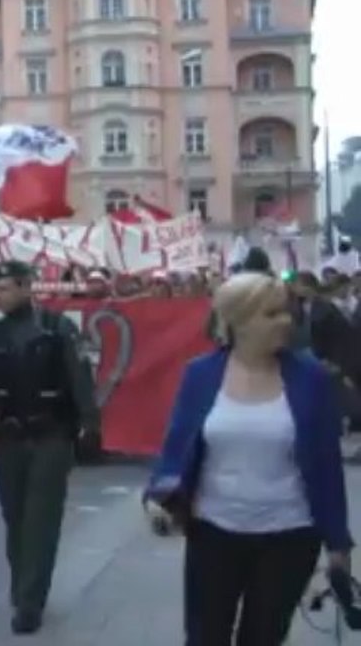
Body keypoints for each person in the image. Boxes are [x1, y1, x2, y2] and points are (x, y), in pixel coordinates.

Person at [145, 272, 352, 645]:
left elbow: (326, 466)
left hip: (289, 535)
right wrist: (159, 496)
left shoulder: (311, 378)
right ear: (238, 322)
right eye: (271, 314)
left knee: (263, 637)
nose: (286, 321)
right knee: (205, 636)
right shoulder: (200, 375)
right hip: (213, 533)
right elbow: (178, 445)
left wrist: (338, 543)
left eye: (286, 312)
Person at [0, 261, 96, 635]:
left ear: (26, 287)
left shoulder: (57, 329)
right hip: (10, 438)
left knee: (40, 521)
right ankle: (23, 584)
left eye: (5, 288)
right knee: (15, 519)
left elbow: (79, 377)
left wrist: (89, 425)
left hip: (51, 435)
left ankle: (30, 601)